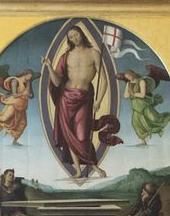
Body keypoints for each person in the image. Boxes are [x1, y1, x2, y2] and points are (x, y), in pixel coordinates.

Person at [44, 24, 122, 179]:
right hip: (66, 98)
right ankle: (79, 171)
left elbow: (104, 80)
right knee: (69, 136)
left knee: (82, 136)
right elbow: (57, 82)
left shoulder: (94, 53)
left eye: (76, 35)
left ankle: (94, 166)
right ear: (69, 40)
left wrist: (99, 101)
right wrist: (49, 67)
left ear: (81, 34)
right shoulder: (66, 56)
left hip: (84, 99)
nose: (74, 38)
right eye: (71, 37)